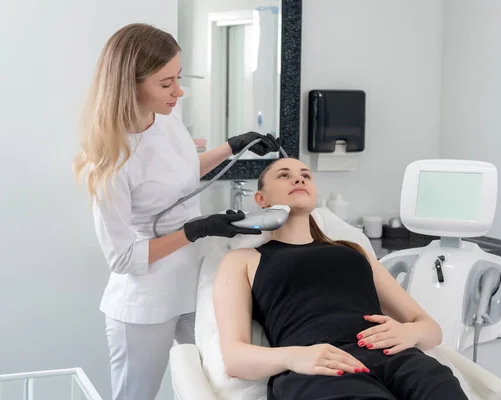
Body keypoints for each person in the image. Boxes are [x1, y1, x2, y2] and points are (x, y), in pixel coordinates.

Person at [72, 23, 276, 400]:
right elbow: (122, 258)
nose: (178, 92)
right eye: (166, 84)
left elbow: (179, 173)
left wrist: (233, 145)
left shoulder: (166, 119)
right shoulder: (110, 162)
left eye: (178, 78)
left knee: (209, 388)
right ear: (129, 85)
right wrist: (194, 230)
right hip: (145, 302)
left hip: (192, 283)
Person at [213, 157, 469, 400]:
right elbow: (235, 358)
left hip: (397, 359)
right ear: (262, 199)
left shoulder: (353, 251)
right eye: (284, 175)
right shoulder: (244, 260)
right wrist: (292, 358)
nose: (299, 180)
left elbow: (431, 329)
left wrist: (409, 333)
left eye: (305, 176)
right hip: (321, 368)